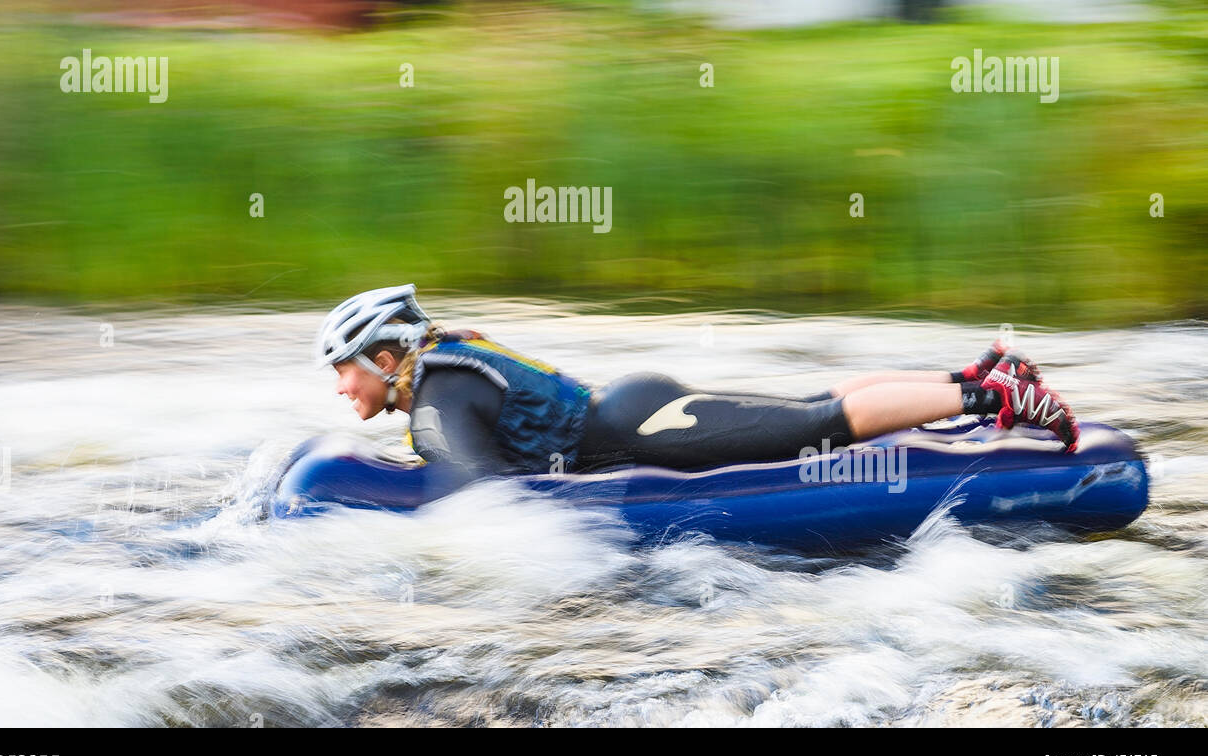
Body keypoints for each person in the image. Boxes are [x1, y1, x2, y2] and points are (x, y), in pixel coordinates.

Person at [316, 284, 1079, 487]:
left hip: (643, 431)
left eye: (344, 368)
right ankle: (976, 378)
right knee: (818, 409)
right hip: (634, 407)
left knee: (824, 424)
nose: (341, 387)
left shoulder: (436, 406)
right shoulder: (449, 363)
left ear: (386, 358)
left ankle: (993, 397)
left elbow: (491, 509)